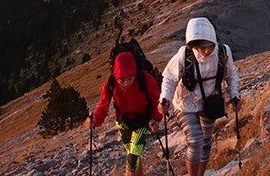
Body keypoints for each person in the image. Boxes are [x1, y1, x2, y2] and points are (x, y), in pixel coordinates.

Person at [159, 17, 241, 176]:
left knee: (206, 143)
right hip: (184, 103)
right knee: (195, 140)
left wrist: (234, 96)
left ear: (213, 41)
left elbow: (231, 76)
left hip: (209, 104)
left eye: (208, 46)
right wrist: (165, 99)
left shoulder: (223, 53)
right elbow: (169, 78)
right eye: (200, 48)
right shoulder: (184, 55)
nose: (205, 51)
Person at [86, 51, 163, 176]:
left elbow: (156, 100)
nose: (126, 83)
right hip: (123, 123)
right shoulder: (110, 83)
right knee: (134, 155)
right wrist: (95, 119)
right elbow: (103, 105)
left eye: (130, 78)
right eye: (122, 80)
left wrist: (156, 118)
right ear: (116, 76)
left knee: (132, 158)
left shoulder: (145, 79)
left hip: (144, 122)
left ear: (135, 73)